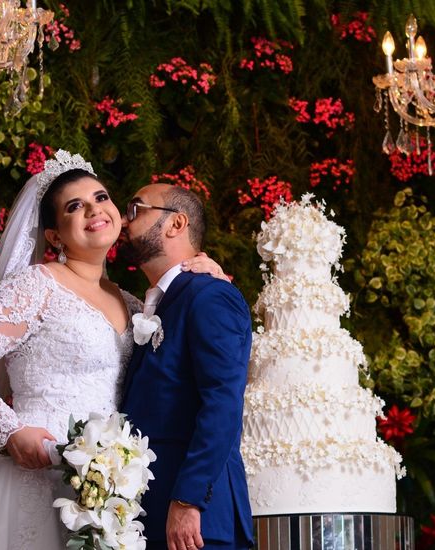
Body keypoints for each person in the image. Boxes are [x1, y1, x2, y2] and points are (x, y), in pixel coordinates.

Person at [0, 151, 227, 550]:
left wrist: (207, 276)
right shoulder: (37, 287)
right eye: (75, 207)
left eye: (100, 197)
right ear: (55, 237)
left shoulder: (132, 303)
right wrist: (10, 433)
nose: (94, 210)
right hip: (34, 471)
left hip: (107, 491)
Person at [119, 184, 254, 550]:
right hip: (152, 512)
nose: (121, 219)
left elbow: (223, 403)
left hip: (196, 523)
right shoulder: (160, 303)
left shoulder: (210, 294)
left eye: (135, 209)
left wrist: (188, 499)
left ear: (175, 224)